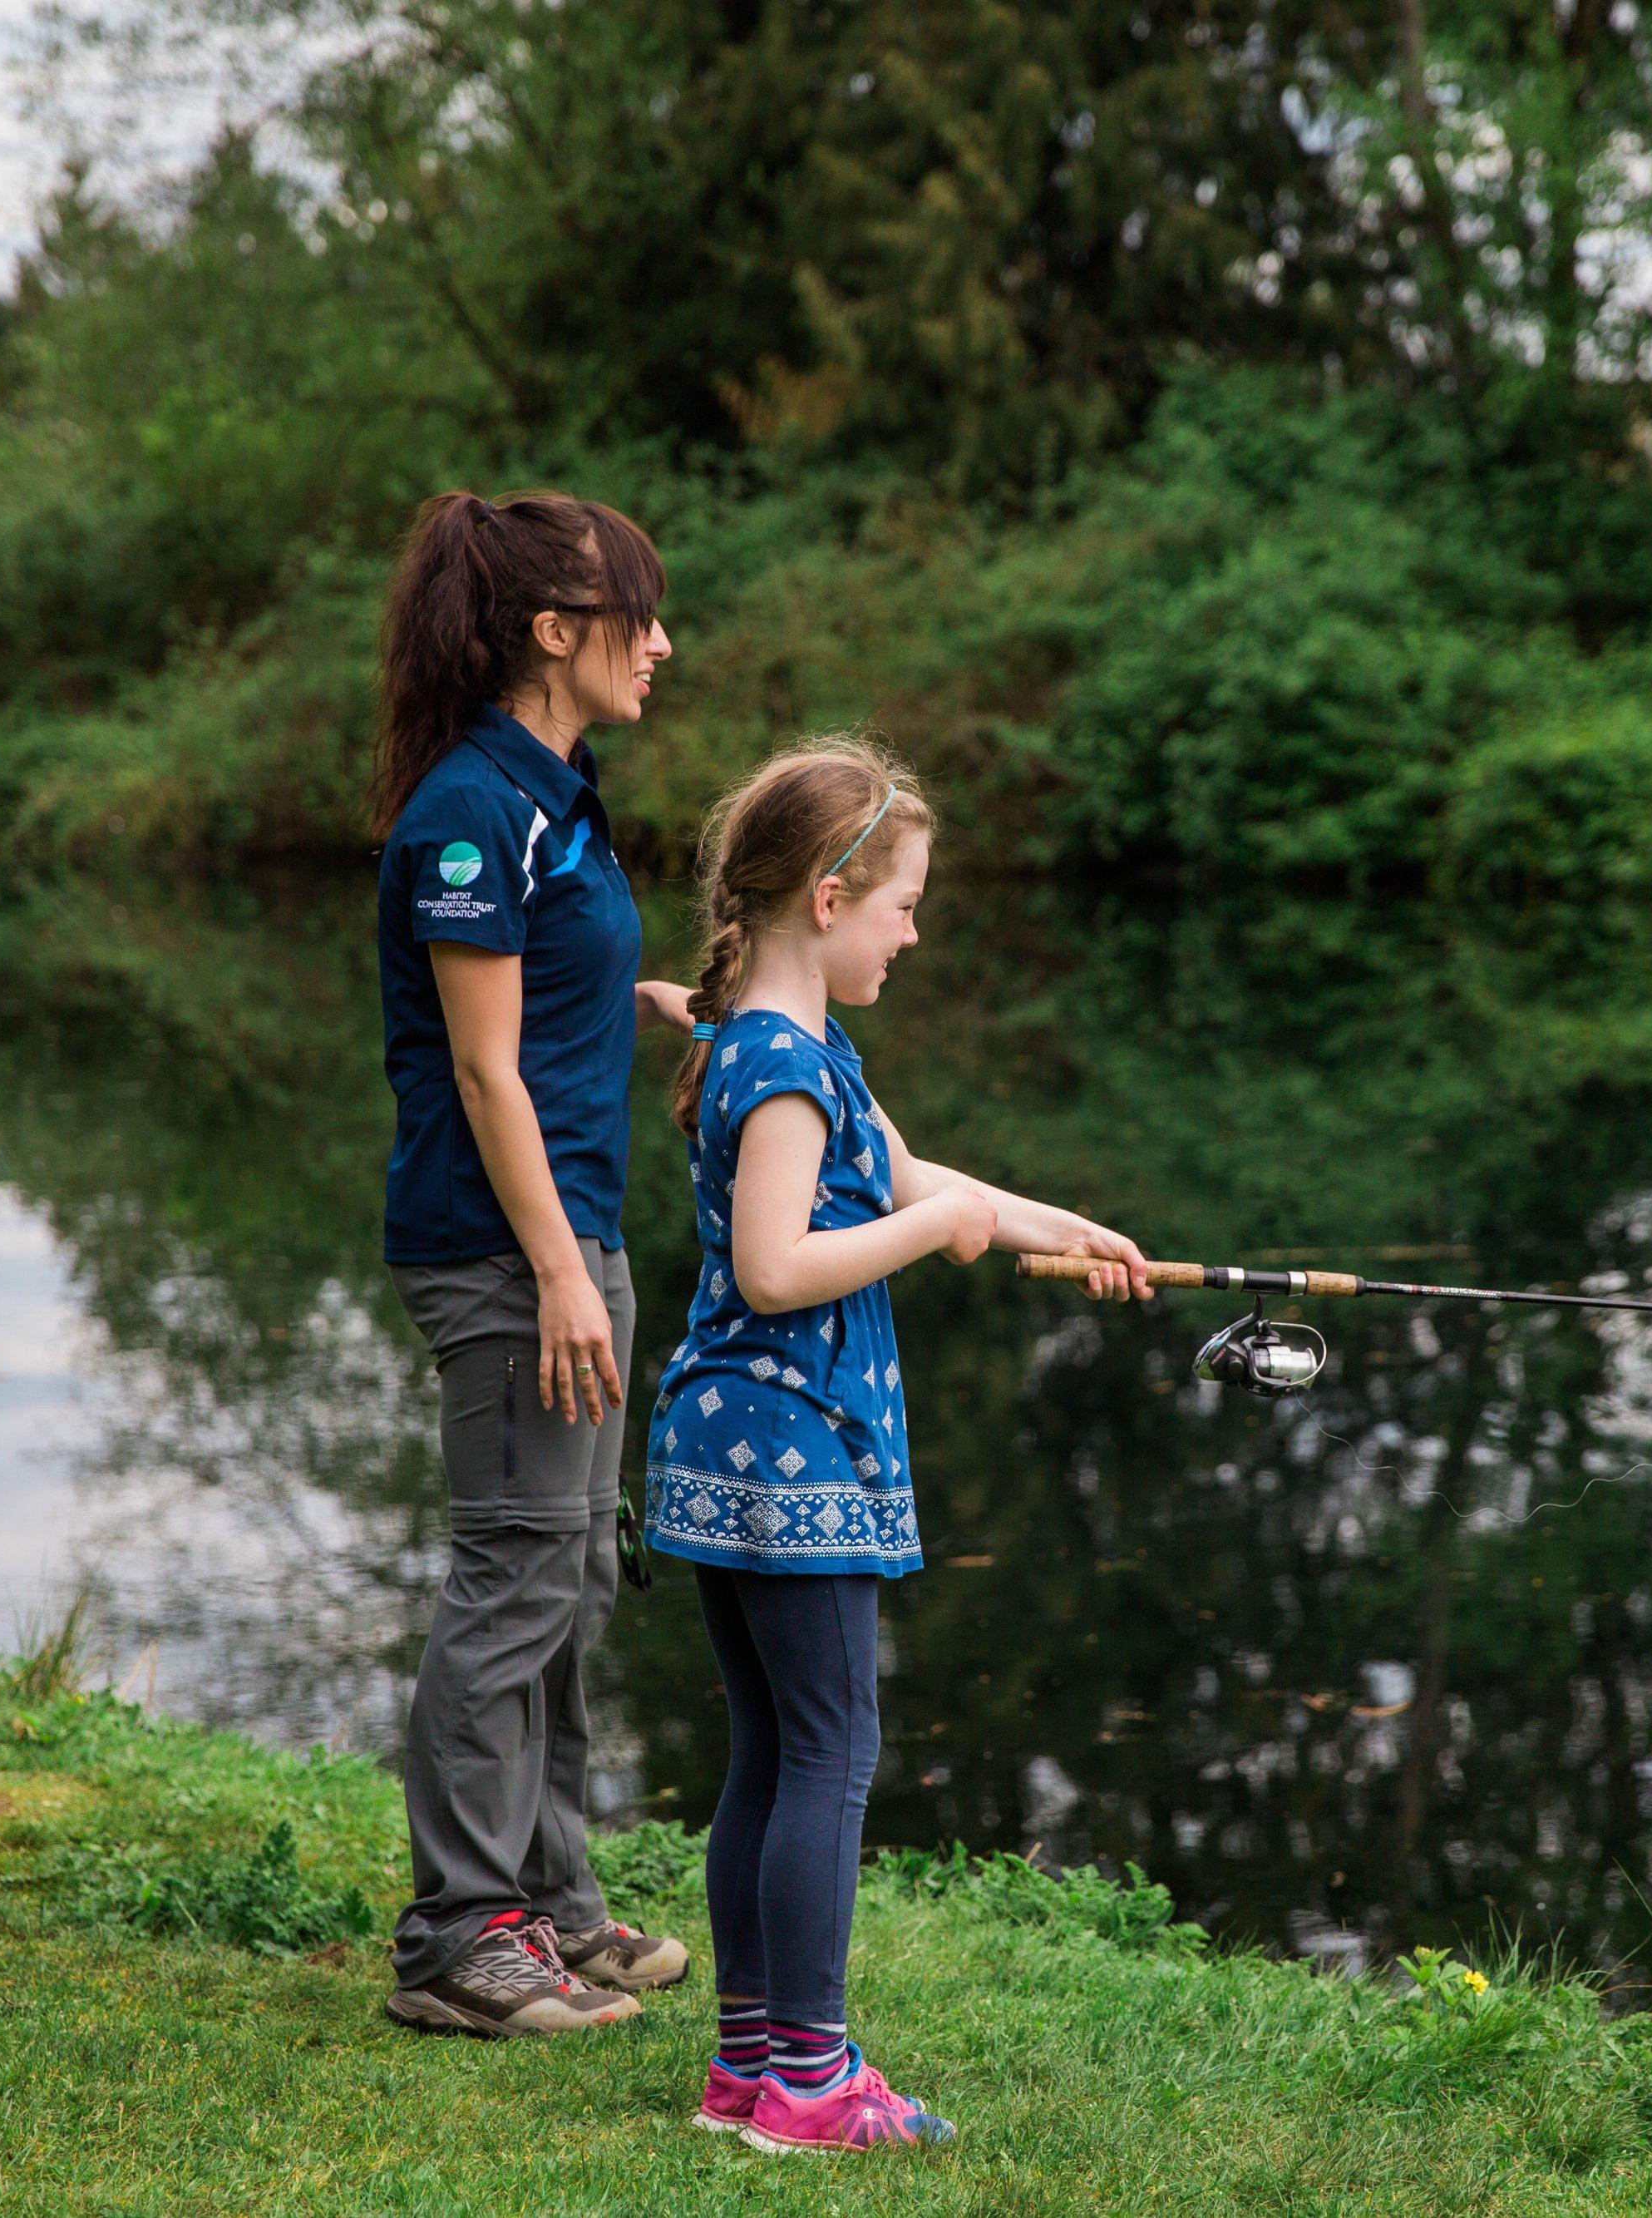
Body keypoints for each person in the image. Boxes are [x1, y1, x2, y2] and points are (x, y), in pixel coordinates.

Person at [645, 742, 1150, 2153]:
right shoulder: (788, 1071)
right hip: (791, 1450)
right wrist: (934, 1235)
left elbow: (923, 1180)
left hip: (723, 1444)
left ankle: (751, 2068)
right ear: (826, 897)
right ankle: (809, 2082)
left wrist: (1076, 1233)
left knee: (769, 1751)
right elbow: (775, 1267)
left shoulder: (785, 1046)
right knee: (827, 1754)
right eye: (904, 903)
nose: (915, 930)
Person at [372, 490, 694, 2038]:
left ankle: (552, 1906)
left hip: (572, 1234)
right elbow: (483, 1071)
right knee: (511, 1577)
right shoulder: (467, 811)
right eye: (638, 616)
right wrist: (561, 1275)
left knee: (572, 1577)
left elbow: (541, 985)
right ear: (555, 635)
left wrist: (645, 997)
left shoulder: (560, 792)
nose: (663, 645)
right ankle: (458, 1939)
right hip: (507, 1253)